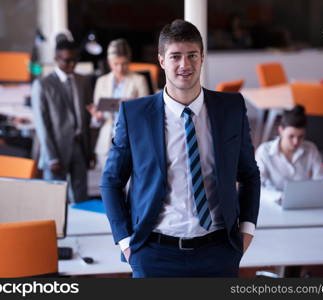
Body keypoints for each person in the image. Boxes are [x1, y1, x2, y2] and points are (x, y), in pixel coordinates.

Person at [100, 20, 260, 277]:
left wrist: (247, 231)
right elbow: (111, 181)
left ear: (202, 58)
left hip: (218, 251)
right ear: (162, 60)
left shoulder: (230, 108)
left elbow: (249, 174)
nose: (184, 65)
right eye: (175, 56)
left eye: (192, 56)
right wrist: (127, 243)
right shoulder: (135, 114)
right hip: (154, 254)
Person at [31, 39, 93, 203]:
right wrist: (51, 157)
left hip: (79, 146)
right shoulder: (43, 85)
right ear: (56, 59)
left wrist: (89, 150)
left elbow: (87, 117)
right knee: (54, 200)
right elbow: (42, 125)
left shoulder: (83, 81)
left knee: (81, 197)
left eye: (74, 60)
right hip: (56, 150)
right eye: (67, 60)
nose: (72, 64)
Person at [87, 38, 149, 169]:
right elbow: (98, 120)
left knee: (131, 186)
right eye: (116, 64)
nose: (120, 68)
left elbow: (146, 114)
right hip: (106, 144)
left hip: (131, 142)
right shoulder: (101, 82)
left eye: (124, 63)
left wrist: (131, 107)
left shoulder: (139, 80)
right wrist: (97, 117)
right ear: (110, 62)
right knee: (107, 187)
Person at [255, 105, 323, 199]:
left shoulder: (311, 149)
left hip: (303, 200)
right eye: (291, 136)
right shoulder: (264, 151)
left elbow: (320, 181)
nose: (296, 142)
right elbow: (256, 186)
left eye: (301, 137)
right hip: (273, 201)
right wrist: (280, 197)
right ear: (281, 130)